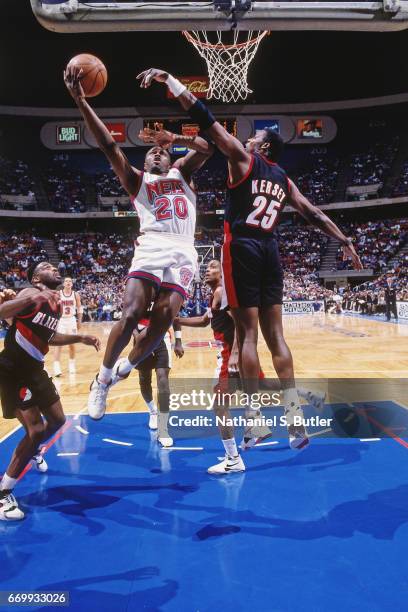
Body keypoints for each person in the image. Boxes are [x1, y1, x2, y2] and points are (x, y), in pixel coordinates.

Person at [136, 67, 362, 473]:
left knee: (246, 333)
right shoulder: (282, 178)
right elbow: (311, 213)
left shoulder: (244, 159)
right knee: (277, 337)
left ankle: (256, 421)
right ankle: (294, 418)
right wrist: (344, 241)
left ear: (262, 148)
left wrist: (170, 82)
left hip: (241, 245)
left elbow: (204, 117)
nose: (248, 138)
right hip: (272, 248)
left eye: (255, 138)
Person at [63, 64, 214, 420]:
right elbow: (107, 144)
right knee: (131, 313)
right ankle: (101, 380)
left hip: (184, 249)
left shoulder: (183, 171)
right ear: (144, 161)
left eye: (161, 152)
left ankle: (125, 369)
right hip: (151, 245)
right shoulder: (136, 180)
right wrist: (80, 100)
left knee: (162, 320)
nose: (157, 155)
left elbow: (207, 147)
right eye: (152, 153)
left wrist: (174, 139)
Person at [176, 259, 325, 473]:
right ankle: (305, 395)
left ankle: (233, 459)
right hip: (241, 357)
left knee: (219, 407)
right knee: (262, 385)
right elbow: (203, 321)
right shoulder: (217, 294)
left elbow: (241, 323)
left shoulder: (222, 292)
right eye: (206, 268)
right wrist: (176, 319)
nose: (206, 270)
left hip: (230, 356)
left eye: (212, 267)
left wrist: (235, 353)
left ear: (223, 273)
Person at [0, 261, 100, 521]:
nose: (55, 268)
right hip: (14, 371)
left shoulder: (54, 303)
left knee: (58, 420)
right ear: (36, 277)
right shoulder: (30, 293)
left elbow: (49, 337)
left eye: (55, 266)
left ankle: (33, 451)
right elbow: (2, 311)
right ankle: (3, 493)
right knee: (35, 431)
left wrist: (80, 337)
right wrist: (28, 299)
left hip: (35, 370)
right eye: (47, 266)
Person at [53, 276, 83, 376]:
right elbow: (53, 307)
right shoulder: (58, 294)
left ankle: (71, 364)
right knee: (59, 344)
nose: (68, 282)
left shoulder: (75, 294)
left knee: (72, 344)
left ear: (72, 284)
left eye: (70, 281)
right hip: (61, 320)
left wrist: (79, 321)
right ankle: (57, 368)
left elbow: (79, 308)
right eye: (66, 281)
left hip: (71, 320)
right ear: (63, 284)